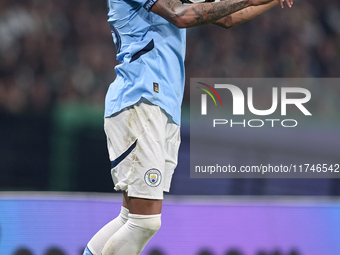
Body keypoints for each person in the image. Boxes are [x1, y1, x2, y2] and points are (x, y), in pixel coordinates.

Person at [83, 0, 292, 254]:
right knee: (144, 222)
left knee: (130, 218)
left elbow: (227, 17)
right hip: (140, 99)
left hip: (163, 106)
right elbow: (180, 15)